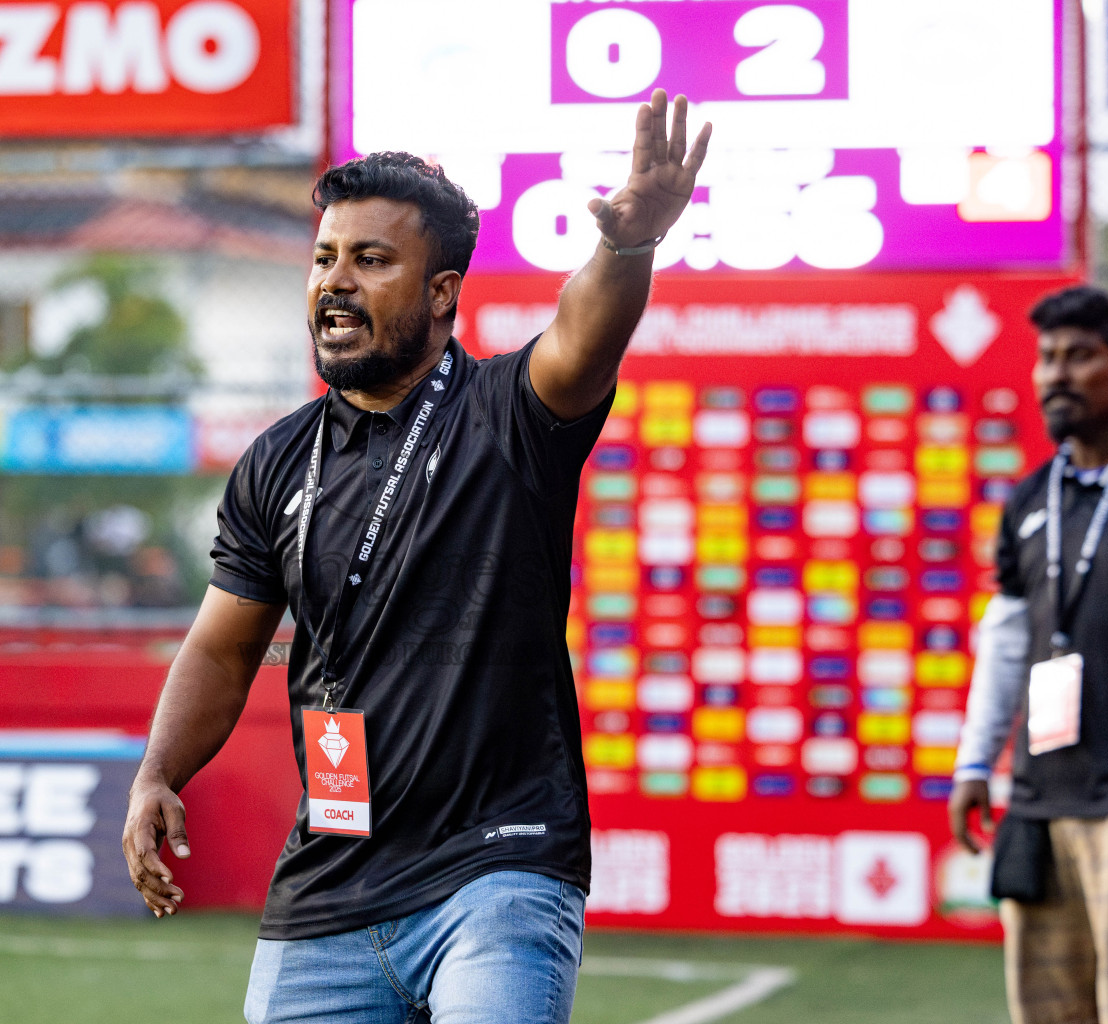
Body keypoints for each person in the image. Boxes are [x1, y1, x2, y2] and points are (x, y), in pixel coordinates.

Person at [120, 90, 710, 1023]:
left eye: (371, 260)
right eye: (323, 259)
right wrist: (159, 773)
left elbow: (582, 339)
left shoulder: (507, 414)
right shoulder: (275, 462)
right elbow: (223, 648)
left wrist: (628, 245)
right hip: (330, 883)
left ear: (442, 292)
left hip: (498, 871)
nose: (335, 281)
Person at [950, 286, 1108, 1024]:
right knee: (1044, 1013)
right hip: (1039, 799)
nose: (1056, 374)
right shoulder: (1031, 498)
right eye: (1046, 359)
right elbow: (1006, 635)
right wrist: (976, 762)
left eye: (1079, 357)